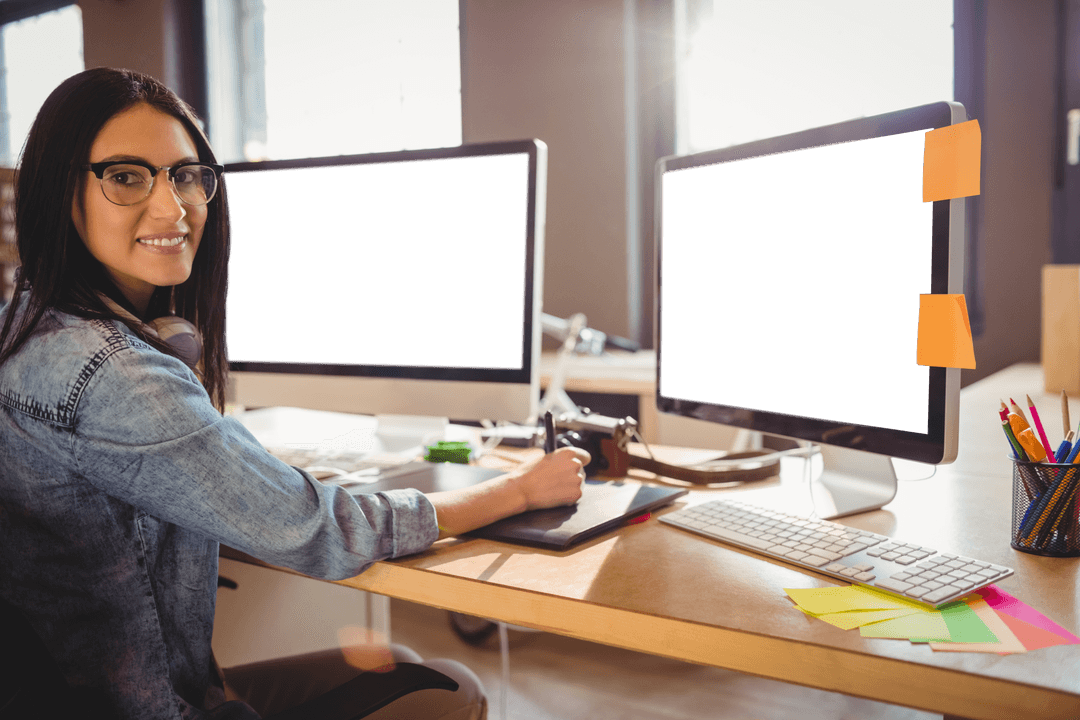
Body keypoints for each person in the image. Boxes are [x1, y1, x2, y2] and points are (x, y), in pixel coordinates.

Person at [0, 67, 589, 720]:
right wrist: (517, 492)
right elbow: (321, 530)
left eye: (187, 174)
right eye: (126, 176)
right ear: (62, 192)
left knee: (404, 664)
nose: (173, 207)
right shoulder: (116, 375)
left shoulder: (22, 333)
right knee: (452, 690)